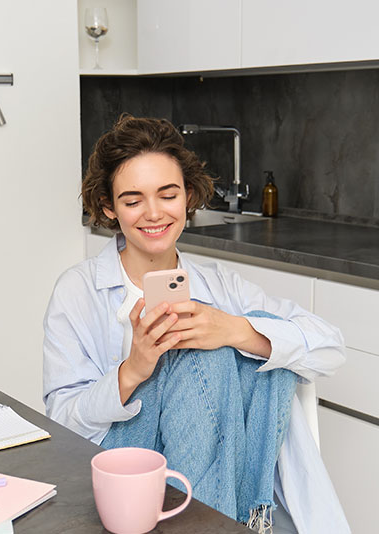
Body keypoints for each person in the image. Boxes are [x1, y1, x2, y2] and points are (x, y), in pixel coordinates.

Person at [43, 114, 349, 534]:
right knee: (197, 356)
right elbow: (61, 423)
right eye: (132, 201)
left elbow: (330, 348)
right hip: (125, 474)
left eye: (168, 195)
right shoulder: (77, 291)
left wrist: (234, 330)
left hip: (220, 477)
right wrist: (132, 371)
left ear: (188, 196)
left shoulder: (220, 285)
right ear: (109, 207)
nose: (154, 213)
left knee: (255, 327)